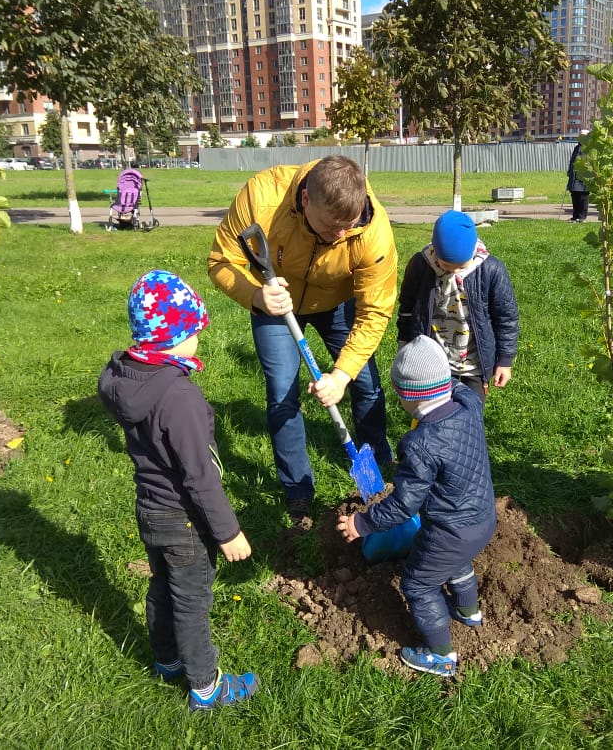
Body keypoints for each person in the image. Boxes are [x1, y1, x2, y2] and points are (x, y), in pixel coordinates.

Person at [98, 270, 259, 712]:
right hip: (183, 518)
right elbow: (199, 477)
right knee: (191, 600)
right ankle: (207, 688)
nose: (199, 341)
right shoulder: (179, 398)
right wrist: (227, 532)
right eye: (194, 333)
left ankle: (166, 659)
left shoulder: (130, 379)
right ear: (172, 336)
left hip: (149, 508)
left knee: (162, 585)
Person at [207, 155, 397, 524]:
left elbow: (375, 311)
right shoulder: (262, 197)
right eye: (331, 228)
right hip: (277, 303)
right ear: (306, 199)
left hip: (336, 300)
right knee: (282, 392)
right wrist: (256, 295)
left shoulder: (372, 229)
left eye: (348, 227)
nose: (340, 236)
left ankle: (377, 460)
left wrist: (340, 376)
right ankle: (298, 489)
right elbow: (220, 261)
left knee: (367, 382)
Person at [336, 336, 497, 678]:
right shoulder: (469, 404)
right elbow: (460, 385)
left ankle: (442, 656)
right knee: (456, 563)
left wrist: (362, 524)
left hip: (447, 531)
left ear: (406, 396)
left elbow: (404, 503)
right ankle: (469, 612)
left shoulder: (420, 442)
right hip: (482, 519)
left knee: (418, 584)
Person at [396, 209, 519, 401]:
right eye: (445, 266)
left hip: (473, 366)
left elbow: (506, 318)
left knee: (470, 415)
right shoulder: (421, 265)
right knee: (431, 416)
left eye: (461, 267)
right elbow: (407, 310)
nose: (453, 272)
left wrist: (505, 360)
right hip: (432, 363)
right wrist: (404, 345)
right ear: (435, 251)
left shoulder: (491, 269)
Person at [565, 131, 589, 222]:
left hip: (584, 177)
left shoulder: (589, 148)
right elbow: (572, 161)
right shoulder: (576, 148)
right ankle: (575, 216)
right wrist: (569, 171)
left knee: (583, 197)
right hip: (574, 177)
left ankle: (582, 217)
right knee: (575, 196)